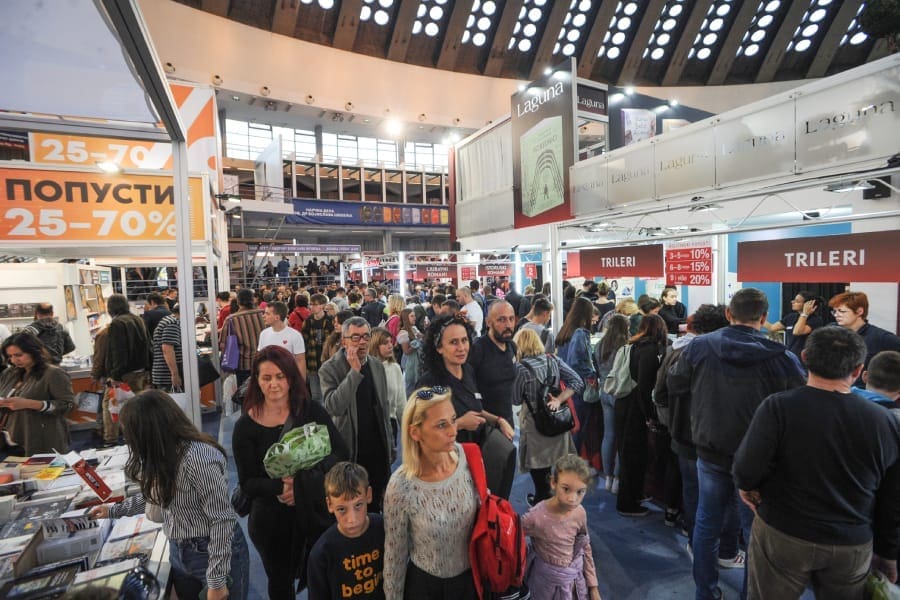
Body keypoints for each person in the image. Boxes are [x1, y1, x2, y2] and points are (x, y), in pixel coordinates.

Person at [733, 327, 900, 598]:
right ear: (858, 370)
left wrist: (746, 487)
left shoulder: (778, 407)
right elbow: (891, 498)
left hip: (784, 531)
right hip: (851, 541)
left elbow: (746, 469)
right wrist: (888, 552)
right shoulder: (885, 422)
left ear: (804, 357)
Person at [667, 288, 807, 600]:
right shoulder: (783, 357)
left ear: (729, 314)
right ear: (764, 317)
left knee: (707, 522)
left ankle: (705, 592)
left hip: (710, 449)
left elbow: (675, 384)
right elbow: (800, 402)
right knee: (754, 531)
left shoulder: (699, 347)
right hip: (759, 459)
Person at [89, 390, 249, 600]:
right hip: (179, 550)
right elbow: (156, 497)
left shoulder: (198, 458)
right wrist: (112, 510)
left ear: (149, 430)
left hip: (212, 551)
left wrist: (217, 580)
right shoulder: (161, 455)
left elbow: (221, 519)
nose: (128, 438)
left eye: (130, 431)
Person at [232, 346, 348, 599]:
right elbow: (247, 482)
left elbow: (340, 453)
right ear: (256, 380)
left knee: (322, 574)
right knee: (280, 582)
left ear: (291, 378)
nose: (274, 384)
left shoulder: (311, 411)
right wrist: (280, 488)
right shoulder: (245, 427)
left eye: (280, 376)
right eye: (266, 377)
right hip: (271, 522)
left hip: (314, 512)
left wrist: (303, 485)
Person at [383, 387, 479, 598]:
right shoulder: (401, 486)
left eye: (453, 420)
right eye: (441, 425)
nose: (453, 431)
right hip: (426, 587)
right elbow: (395, 555)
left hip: (470, 583)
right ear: (415, 432)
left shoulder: (469, 458)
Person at [653, 304, 733, 558]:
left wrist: (672, 423)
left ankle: (695, 538)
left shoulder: (678, 352)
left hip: (685, 434)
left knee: (693, 491)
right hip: (721, 438)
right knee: (724, 495)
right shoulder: (729, 355)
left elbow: (660, 394)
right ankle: (725, 549)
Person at [320, 317, 394, 510]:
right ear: (344, 341)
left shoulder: (376, 366)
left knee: (377, 503)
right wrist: (354, 373)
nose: (362, 342)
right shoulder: (330, 369)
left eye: (366, 336)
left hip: (377, 449)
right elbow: (334, 407)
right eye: (355, 337)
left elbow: (384, 408)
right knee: (354, 505)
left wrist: (390, 444)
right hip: (350, 450)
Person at [416, 314, 514, 445]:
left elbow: (474, 408)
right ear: (439, 348)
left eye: (464, 340)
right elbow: (422, 431)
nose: (461, 348)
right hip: (449, 453)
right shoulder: (429, 383)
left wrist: (498, 420)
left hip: (476, 452)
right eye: (453, 342)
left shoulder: (468, 370)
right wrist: (459, 424)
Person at [513, 327, 583, 505]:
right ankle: (558, 499)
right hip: (556, 418)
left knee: (539, 466)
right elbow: (577, 382)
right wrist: (559, 400)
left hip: (534, 422)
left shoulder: (520, 368)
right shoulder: (553, 360)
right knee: (559, 463)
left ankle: (541, 500)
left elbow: (515, 399)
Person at [522, 454, 602, 600]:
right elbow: (514, 541)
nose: (573, 499)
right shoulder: (536, 516)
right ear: (553, 483)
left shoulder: (580, 513)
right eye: (566, 489)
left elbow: (584, 546)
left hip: (574, 584)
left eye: (580, 492)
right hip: (544, 586)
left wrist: (593, 587)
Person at [308, 462, 386, 600]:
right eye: (342, 509)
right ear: (329, 504)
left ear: (368, 495)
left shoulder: (385, 529)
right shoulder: (322, 553)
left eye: (358, 505)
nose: (352, 519)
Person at [615, 314, 667, 518]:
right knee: (633, 456)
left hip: (626, 404)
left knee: (630, 454)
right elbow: (645, 386)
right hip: (635, 408)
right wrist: (650, 414)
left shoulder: (635, 346)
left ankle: (633, 496)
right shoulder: (650, 350)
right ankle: (628, 503)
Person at [0, 332, 75, 455]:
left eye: (19, 355)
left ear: (34, 351)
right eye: (10, 356)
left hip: (41, 439)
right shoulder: (9, 373)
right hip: (9, 437)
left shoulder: (53, 373)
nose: (14, 360)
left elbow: (68, 405)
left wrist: (30, 404)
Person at [829, 291, 900, 386]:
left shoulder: (880, 337)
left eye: (841, 311)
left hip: (862, 391)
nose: (836, 315)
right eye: (834, 311)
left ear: (859, 311)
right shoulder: (830, 331)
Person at [555, 297, 597, 453]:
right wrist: (592, 374)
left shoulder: (565, 331)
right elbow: (576, 362)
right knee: (578, 430)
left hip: (565, 386)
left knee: (571, 428)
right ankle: (574, 462)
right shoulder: (580, 333)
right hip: (578, 388)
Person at [595, 313, 630, 494]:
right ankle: (617, 479)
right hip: (620, 394)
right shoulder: (625, 346)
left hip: (604, 391)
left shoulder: (599, 345)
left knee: (608, 435)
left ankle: (607, 477)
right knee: (622, 437)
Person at [468, 300, 518, 423]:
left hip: (507, 419)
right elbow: (467, 392)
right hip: (484, 423)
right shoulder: (477, 349)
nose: (508, 325)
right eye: (501, 320)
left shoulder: (511, 346)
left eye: (511, 319)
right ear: (488, 322)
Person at [368, 327, 407, 448]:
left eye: (391, 342)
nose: (390, 346)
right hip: (370, 424)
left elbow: (401, 402)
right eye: (385, 343)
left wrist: (407, 430)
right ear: (375, 345)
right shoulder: (366, 368)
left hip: (390, 422)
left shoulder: (395, 368)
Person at [105, 293, 152, 393]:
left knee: (120, 401)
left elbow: (119, 351)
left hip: (127, 374)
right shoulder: (138, 319)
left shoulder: (117, 323)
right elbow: (148, 344)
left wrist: (115, 375)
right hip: (142, 370)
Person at [221, 288, 265, 388]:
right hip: (265, 362)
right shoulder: (264, 314)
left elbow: (223, 344)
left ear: (238, 302)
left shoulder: (232, 319)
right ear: (253, 300)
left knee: (245, 394)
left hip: (243, 365)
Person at [763, 290, 824, 358]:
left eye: (797, 301)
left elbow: (797, 331)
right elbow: (772, 327)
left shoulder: (815, 320)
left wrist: (805, 313)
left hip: (805, 358)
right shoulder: (791, 317)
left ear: (807, 304)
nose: (792, 302)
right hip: (790, 357)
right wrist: (758, 317)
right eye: (794, 300)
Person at [258, 301, 307, 379]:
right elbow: (260, 358)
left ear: (277, 317)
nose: (263, 316)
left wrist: (302, 382)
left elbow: (300, 361)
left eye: (267, 314)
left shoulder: (295, 335)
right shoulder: (263, 334)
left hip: (289, 378)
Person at [150, 304, 182, 390]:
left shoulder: (168, 320)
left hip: (165, 374)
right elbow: (167, 349)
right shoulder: (173, 323)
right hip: (167, 377)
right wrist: (175, 374)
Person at [396, 308, 423, 396]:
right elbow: (406, 351)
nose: (415, 318)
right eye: (412, 316)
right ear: (406, 318)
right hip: (409, 364)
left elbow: (423, 338)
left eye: (414, 316)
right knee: (409, 387)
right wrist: (417, 343)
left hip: (417, 362)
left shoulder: (414, 328)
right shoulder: (403, 332)